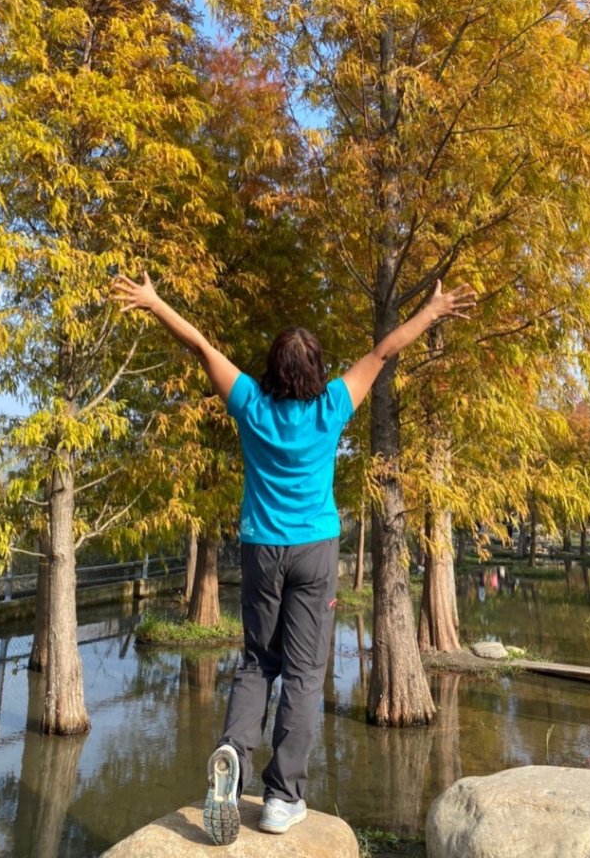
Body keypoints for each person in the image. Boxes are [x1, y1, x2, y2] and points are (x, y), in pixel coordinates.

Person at [113, 271, 475, 845]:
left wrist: (154, 301)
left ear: (272, 369)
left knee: (258, 661)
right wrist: (430, 312)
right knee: (305, 673)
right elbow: (383, 352)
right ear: (316, 371)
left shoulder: (251, 405)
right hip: (315, 550)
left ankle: (233, 749)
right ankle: (282, 797)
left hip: (261, 547)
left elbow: (201, 345)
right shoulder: (331, 406)